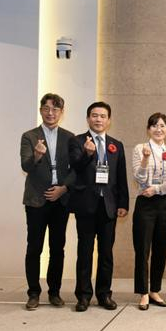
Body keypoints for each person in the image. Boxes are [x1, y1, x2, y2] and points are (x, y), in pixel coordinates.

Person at [68, 101, 129, 312]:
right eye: (94, 115)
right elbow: (75, 168)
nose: (98, 119)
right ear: (88, 119)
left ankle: (104, 294)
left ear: (108, 120)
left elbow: (121, 177)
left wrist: (123, 203)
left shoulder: (116, 145)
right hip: (86, 205)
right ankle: (83, 296)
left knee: (106, 253)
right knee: (84, 252)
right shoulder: (77, 141)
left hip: (109, 206)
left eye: (103, 116)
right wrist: (87, 154)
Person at [20, 93, 75, 310]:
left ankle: (54, 292)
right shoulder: (29, 136)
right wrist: (36, 155)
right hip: (36, 199)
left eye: (55, 109)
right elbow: (26, 166)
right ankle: (33, 293)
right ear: (41, 110)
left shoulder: (70, 137)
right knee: (34, 248)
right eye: (46, 109)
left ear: (61, 112)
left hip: (60, 200)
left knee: (57, 249)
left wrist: (63, 189)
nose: (50, 113)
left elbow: (76, 170)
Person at [132, 112, 166, 310]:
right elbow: (139, 178)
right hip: (145, 204)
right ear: (148, 129)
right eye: (154, 126)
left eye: (162, 126)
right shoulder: (140, 149)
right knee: (142, 249)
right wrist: (145, 159)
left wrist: (158, 189)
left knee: (161, 249)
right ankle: (143, 293)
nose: (158, 129)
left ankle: (155, 290)